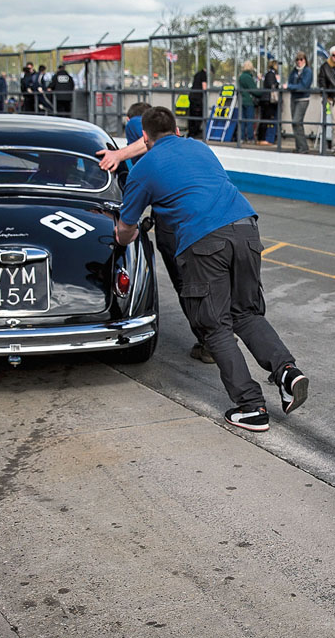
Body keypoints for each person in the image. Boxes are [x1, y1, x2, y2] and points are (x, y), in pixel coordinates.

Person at [109, 106, 309, 431]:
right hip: (246, 226)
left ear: (145, 137)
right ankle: (287, 371)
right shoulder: (200, 147)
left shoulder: (143, 168)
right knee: (246, 313)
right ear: (176, 129)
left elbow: (126, 230)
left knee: (215, 325)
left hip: (203, 240)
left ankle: (251, 407)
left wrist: (124, 236)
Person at [121, 101, 216, 365]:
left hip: (172, 222)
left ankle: (209, 341)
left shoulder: (135, 126)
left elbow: (144, 144)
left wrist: (118, 155)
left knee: (186, 285)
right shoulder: (192, 145)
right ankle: (218, 337)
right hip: (209, 219)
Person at [285, 52, 313, 153]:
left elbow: (303, 86)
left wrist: (291, 87)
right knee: (295, 123)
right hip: (294, 98)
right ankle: (299, 147)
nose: (299, 62)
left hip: (303, 99)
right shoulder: (294, 72)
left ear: (305, 60)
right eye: (297, 60)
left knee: (296, 121)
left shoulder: (308, 71)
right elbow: (290, 82)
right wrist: (292, 86)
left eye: (301, 59)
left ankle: (303, 147)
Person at [257, 60, 280, 145]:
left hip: (266, 99)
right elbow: (271, 85)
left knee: (265, 119)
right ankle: (262, 139)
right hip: (268, 100)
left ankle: (261, 138)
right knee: (265, 119)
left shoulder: (269, 74)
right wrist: (277, 82)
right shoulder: (271, 74)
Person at [237, 60, 259, 142]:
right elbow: (254, 90)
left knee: (242, 120)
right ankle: (250, 138)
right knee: (249, 120)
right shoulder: (248, 77)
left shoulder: (241, 76)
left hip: (241, 100)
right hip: (249, 101)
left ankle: (241, 137)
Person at [187, 68, 208, 139]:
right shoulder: (204, 75)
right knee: (199, 115)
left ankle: (191, 132)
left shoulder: (197, 74)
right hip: (197, 98)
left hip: (192, 96)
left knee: (192, 114)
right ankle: (195, 132)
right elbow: (204, 87)